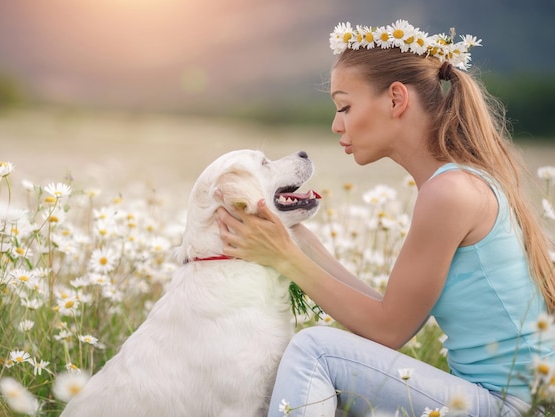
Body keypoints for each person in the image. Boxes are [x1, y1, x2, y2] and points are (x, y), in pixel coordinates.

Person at [216, 19, 555, 417]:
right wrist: (299, 242)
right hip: (496, 399)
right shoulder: (457, 182)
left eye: (345, 106)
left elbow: (388, 331)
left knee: (316, 350)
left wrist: (284, 259)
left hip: (505, 406)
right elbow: (389, 311)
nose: (336, 124)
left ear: (396, 99)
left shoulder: (449, 193)